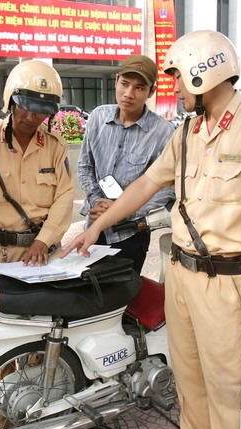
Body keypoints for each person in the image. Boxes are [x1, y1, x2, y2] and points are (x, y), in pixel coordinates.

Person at [62, 31, 241, 429]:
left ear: (201, 71)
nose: (173, 88)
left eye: (177, 79)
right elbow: (145, 186)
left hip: (226, 278)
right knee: (186, 365)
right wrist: (96, 225)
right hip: (181, 270)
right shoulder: (189, 130)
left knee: (230, 380)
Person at [0, 59, 73, 268]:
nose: (30, 117)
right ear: (10, 102)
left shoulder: (56, 146)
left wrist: (43, 241)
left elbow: (64, 197)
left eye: (40, 111)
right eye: (24, 108)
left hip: (44, 256)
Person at [78, 54, 175, 274]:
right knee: (87, 292)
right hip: (93, 225)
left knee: (124, 298)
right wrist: (96, 200)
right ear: (116, 80)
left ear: (151, 92)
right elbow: (85, 166)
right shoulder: (97, 118)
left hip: (131, 233)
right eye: (125, 84)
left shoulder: (163, 133)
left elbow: (167, 188)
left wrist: (122, 210)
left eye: (139, 88)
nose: (129, 94)